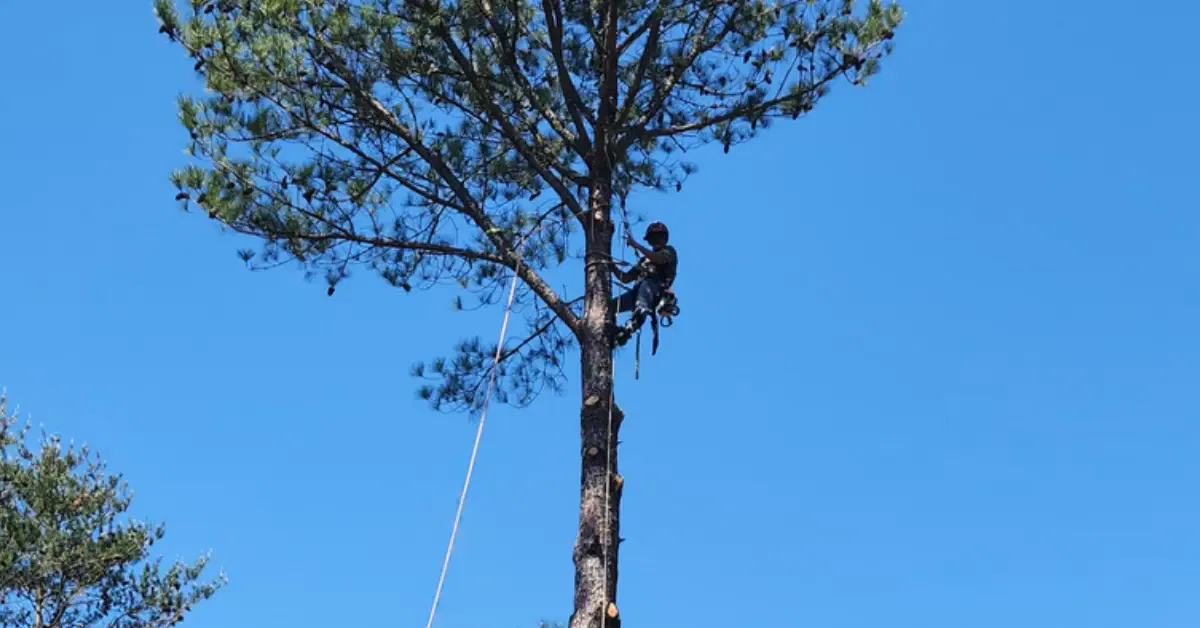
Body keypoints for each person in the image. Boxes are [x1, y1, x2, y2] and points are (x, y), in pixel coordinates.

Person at [609, 221, 677, 347]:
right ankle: (610, 332)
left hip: (654, 289)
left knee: (644, 292)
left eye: (656, 237)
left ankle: (631, 326)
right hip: (637, 291)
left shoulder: (669, 252)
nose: (654, 241)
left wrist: (636, 246)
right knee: (611, 306)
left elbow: (659, 258)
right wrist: (612, 266)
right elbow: (626, 278)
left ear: (664, 238)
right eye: (651, 239)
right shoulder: (644, 260)